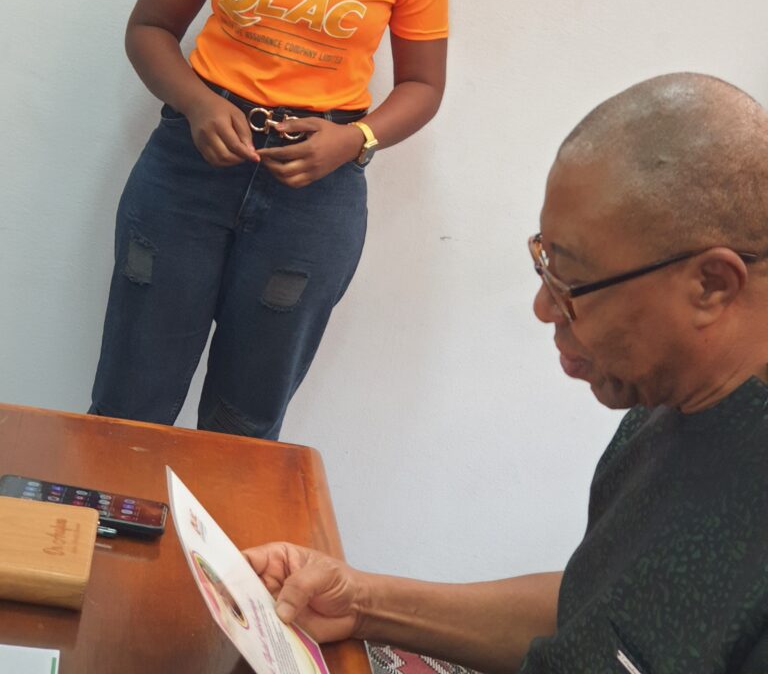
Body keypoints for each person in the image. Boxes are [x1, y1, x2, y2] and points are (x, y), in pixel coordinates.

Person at [246, 73, 768, 672]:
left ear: (711, 285)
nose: (544, 308)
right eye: (545, 262)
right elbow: (597, 616)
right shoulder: (673, 399)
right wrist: (361, 602)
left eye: (573, 284)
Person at [89, 0, 448, 439]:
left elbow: (423, 86)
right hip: (188, 170)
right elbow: (148, 30)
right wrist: (197, 104)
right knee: (130, 403)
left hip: (315, 188)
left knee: (244, 425)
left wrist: (355, 140)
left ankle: (214, 524)